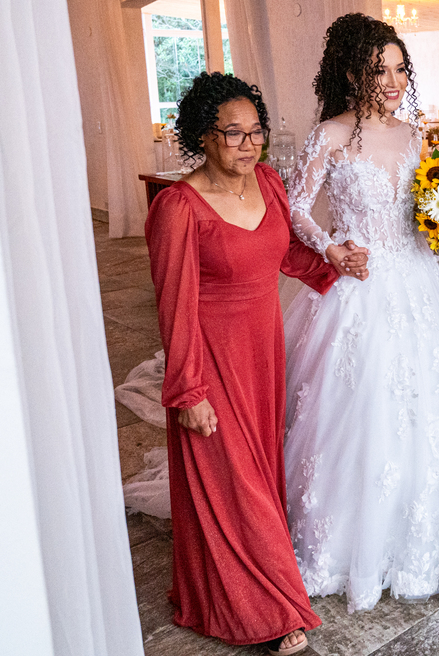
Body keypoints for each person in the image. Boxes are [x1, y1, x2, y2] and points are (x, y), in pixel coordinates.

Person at [283, 13, 439, 612]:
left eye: (398, 69)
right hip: (359, 287)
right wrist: (332, 247)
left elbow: (423, 211)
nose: (391, 81)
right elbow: (292, 207)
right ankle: (350, 538)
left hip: (419, 283)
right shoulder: (332, 135)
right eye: (378, 70)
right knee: (361, 405)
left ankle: (434, 532)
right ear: (350, 72)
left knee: (434, 403)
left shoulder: (416, 135)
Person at [145, 72, 369, 655]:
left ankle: (228, 587)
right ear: (202, 136)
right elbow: (175, 308)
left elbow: (284, 250)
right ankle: (268, 609)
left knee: (256, 473)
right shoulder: (178, 208)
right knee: (232, 480)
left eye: (256, 133)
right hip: (211, 357)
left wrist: (332, 263)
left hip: (263, 350)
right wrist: (187, 391)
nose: (248, 145)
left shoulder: (267, 184)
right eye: (233, 134)